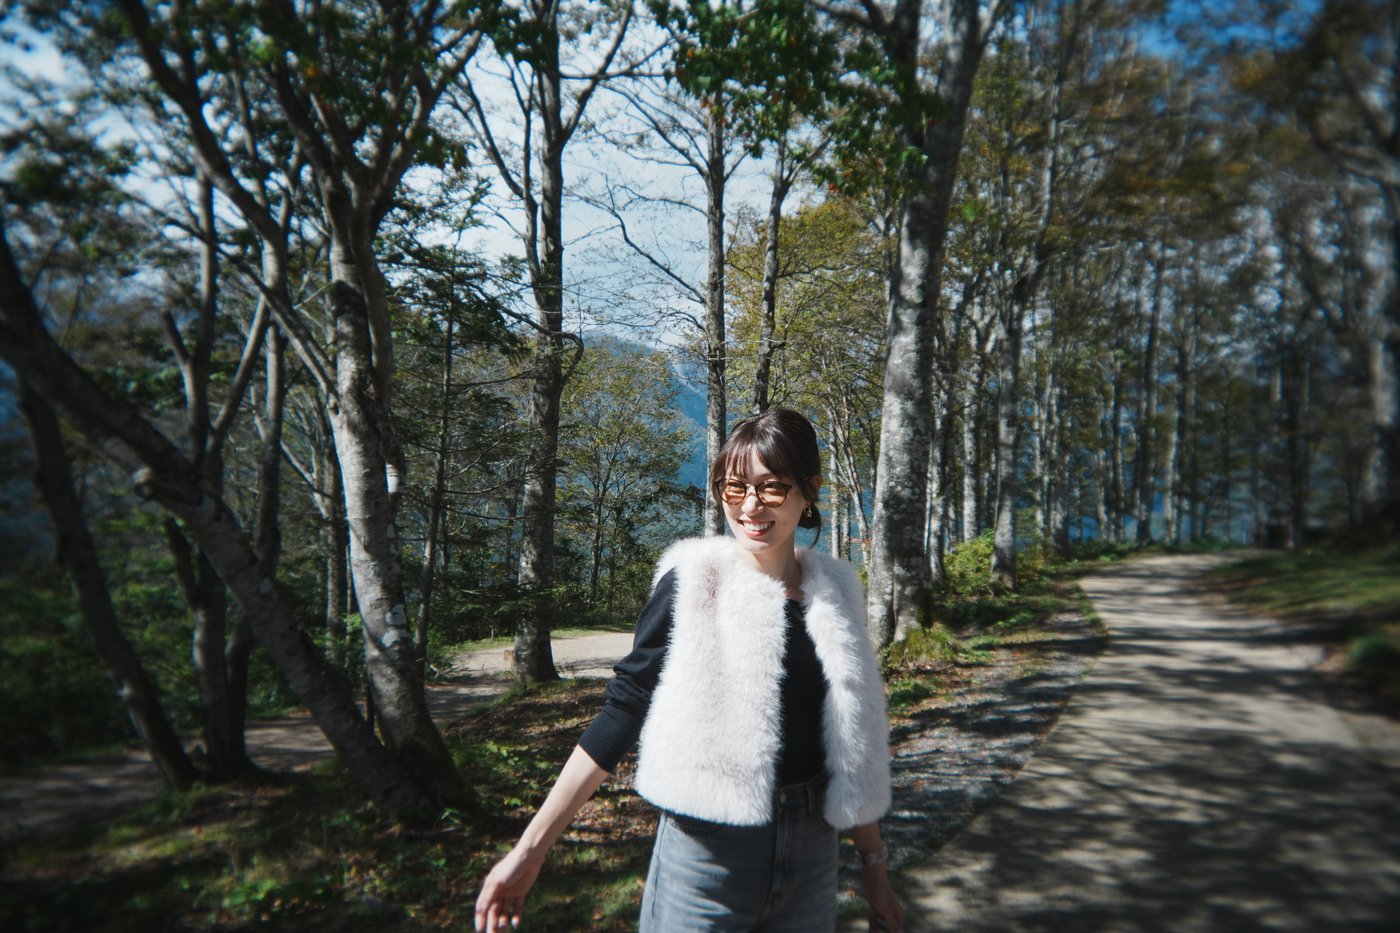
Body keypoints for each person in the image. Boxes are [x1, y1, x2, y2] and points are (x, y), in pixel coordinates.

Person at [474, 408, 903, 933]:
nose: (750, 506)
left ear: (809, 490)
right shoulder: (694, 583)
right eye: (734, 487)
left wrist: (874, 868)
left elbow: (851, 745)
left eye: (772, 487)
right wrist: (530, 850)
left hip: (813, 856)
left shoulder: (836, 594)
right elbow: (624, 709)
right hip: (705, 857)